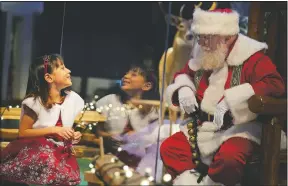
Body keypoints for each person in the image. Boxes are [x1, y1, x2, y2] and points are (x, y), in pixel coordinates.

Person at [160, 8, 286, 185]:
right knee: (170, 148)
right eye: (200, 37)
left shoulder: (252, 58)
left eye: (207, 37)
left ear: (227, 37)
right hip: (201, 128)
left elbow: (275, 84)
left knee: (229, 158)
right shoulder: (204, 56)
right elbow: (183, 74)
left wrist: (233, 99)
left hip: (239, 128)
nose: (201, 43)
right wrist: (184, 88)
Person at [0, 54, 84, 186]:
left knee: (65, 176)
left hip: (61, 154)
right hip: (38, 153)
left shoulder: (73, 99)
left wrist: (72, 135)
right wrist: (53, 130)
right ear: (48, 77)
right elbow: (23, 132)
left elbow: (64, 126)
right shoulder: (34, 102)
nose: (69, 71)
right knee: (47, 160)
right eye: (62, 68)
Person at [95, 65, 159, 167]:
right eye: (126, 73)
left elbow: (155, 137)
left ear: (147, 86)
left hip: (141, 161)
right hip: (111, 155)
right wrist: (112, 136)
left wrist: (137, 136)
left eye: (133, 75)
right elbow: (99, 131)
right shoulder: (109, 100)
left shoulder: (153, 109)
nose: (126, 76)